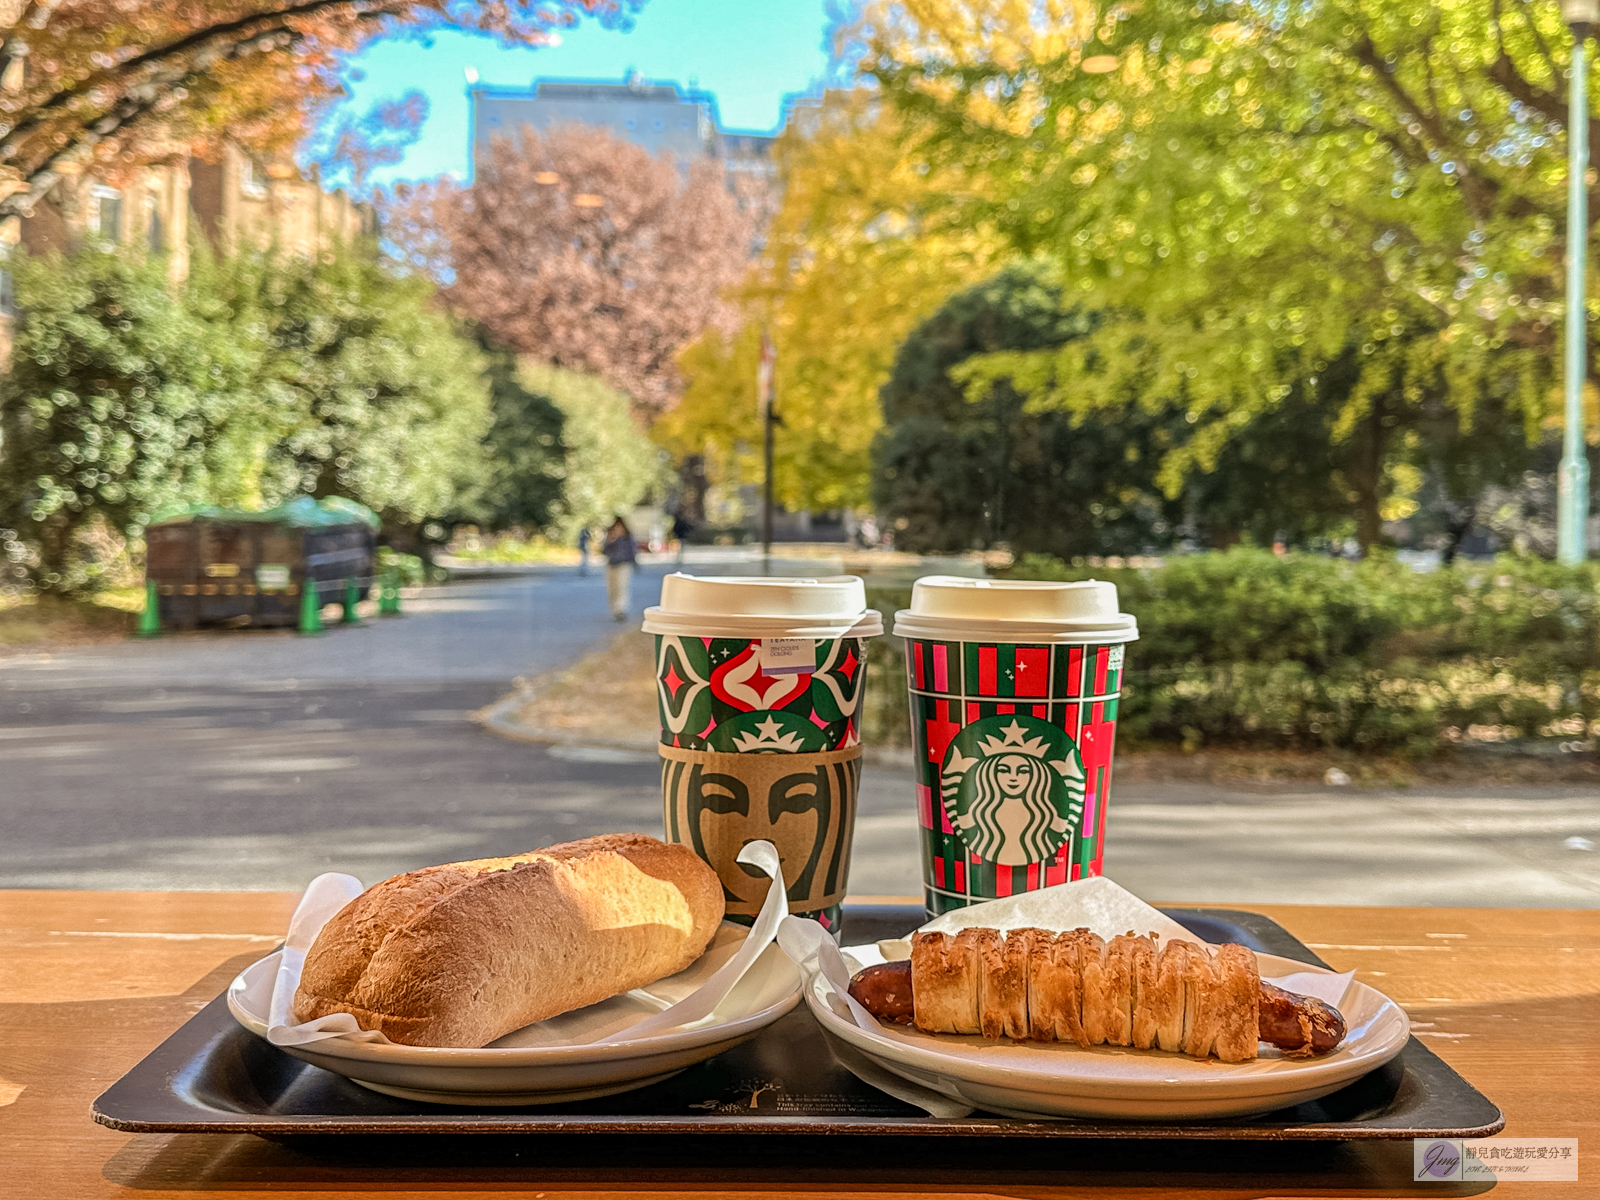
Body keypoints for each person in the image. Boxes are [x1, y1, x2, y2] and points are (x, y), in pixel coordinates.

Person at [602, 517, 637, 622]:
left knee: (622, 586)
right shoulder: (611, 537)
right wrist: (611, 540)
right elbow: (604, 551)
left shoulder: (627, 538)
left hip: (624, 564)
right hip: (612, 565)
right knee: (612, 587)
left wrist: (634, 562)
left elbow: (632, 550)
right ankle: (614, 607)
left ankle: (620, 609)